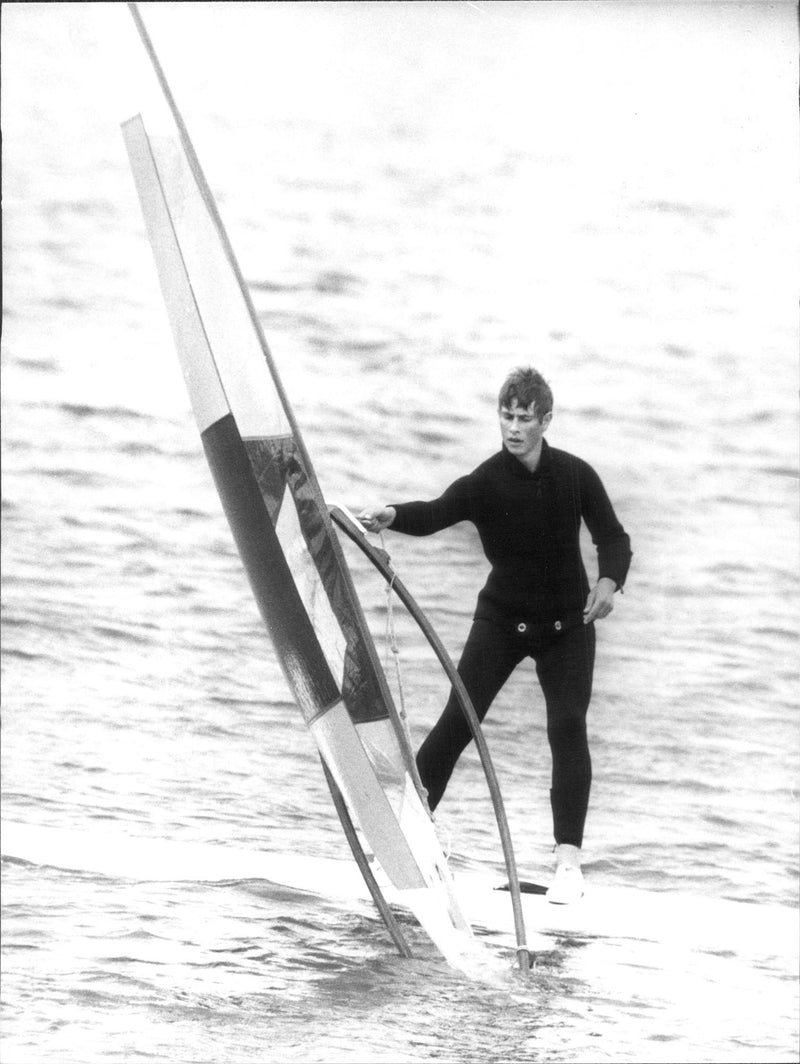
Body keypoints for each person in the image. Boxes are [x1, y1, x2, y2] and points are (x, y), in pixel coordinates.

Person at [358, 366, 632, 904]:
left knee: (568, 727)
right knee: (459, 719)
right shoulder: (486, 482)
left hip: (565, 627)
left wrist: (608, 581)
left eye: (523, 418)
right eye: (506, 416)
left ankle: (568, 867)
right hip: (503, 620)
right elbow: (437, 512)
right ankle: (405, 833)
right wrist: (391, 515)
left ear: (545, 421)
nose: (512, 428)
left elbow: (613, 537)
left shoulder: (576, 476)